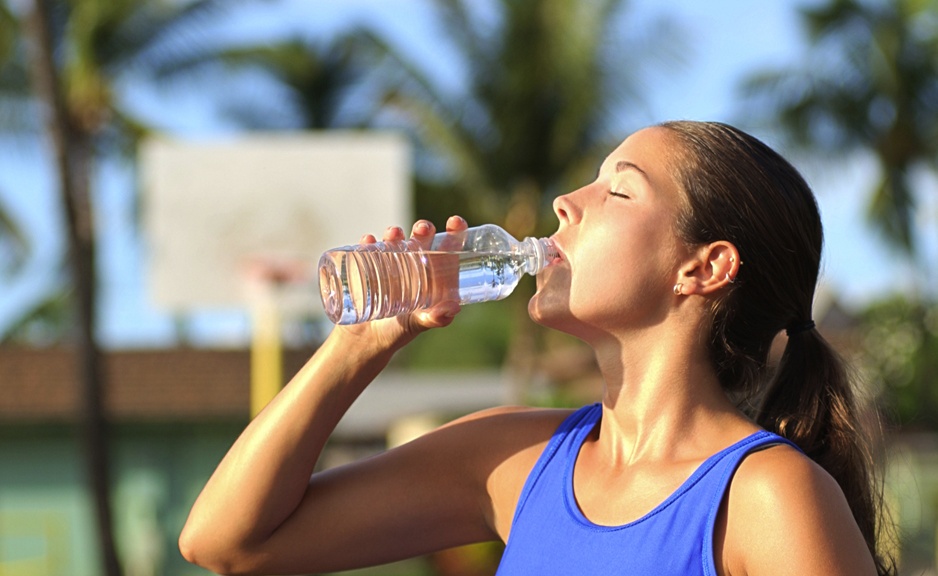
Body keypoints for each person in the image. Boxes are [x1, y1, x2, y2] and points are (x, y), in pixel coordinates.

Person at [179, 121, 895, 575]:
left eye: (619, 191)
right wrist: (357, 346)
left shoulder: (767, 497)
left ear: (703, 268)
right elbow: (225, 544)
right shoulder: (514, 462)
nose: (566, 203)